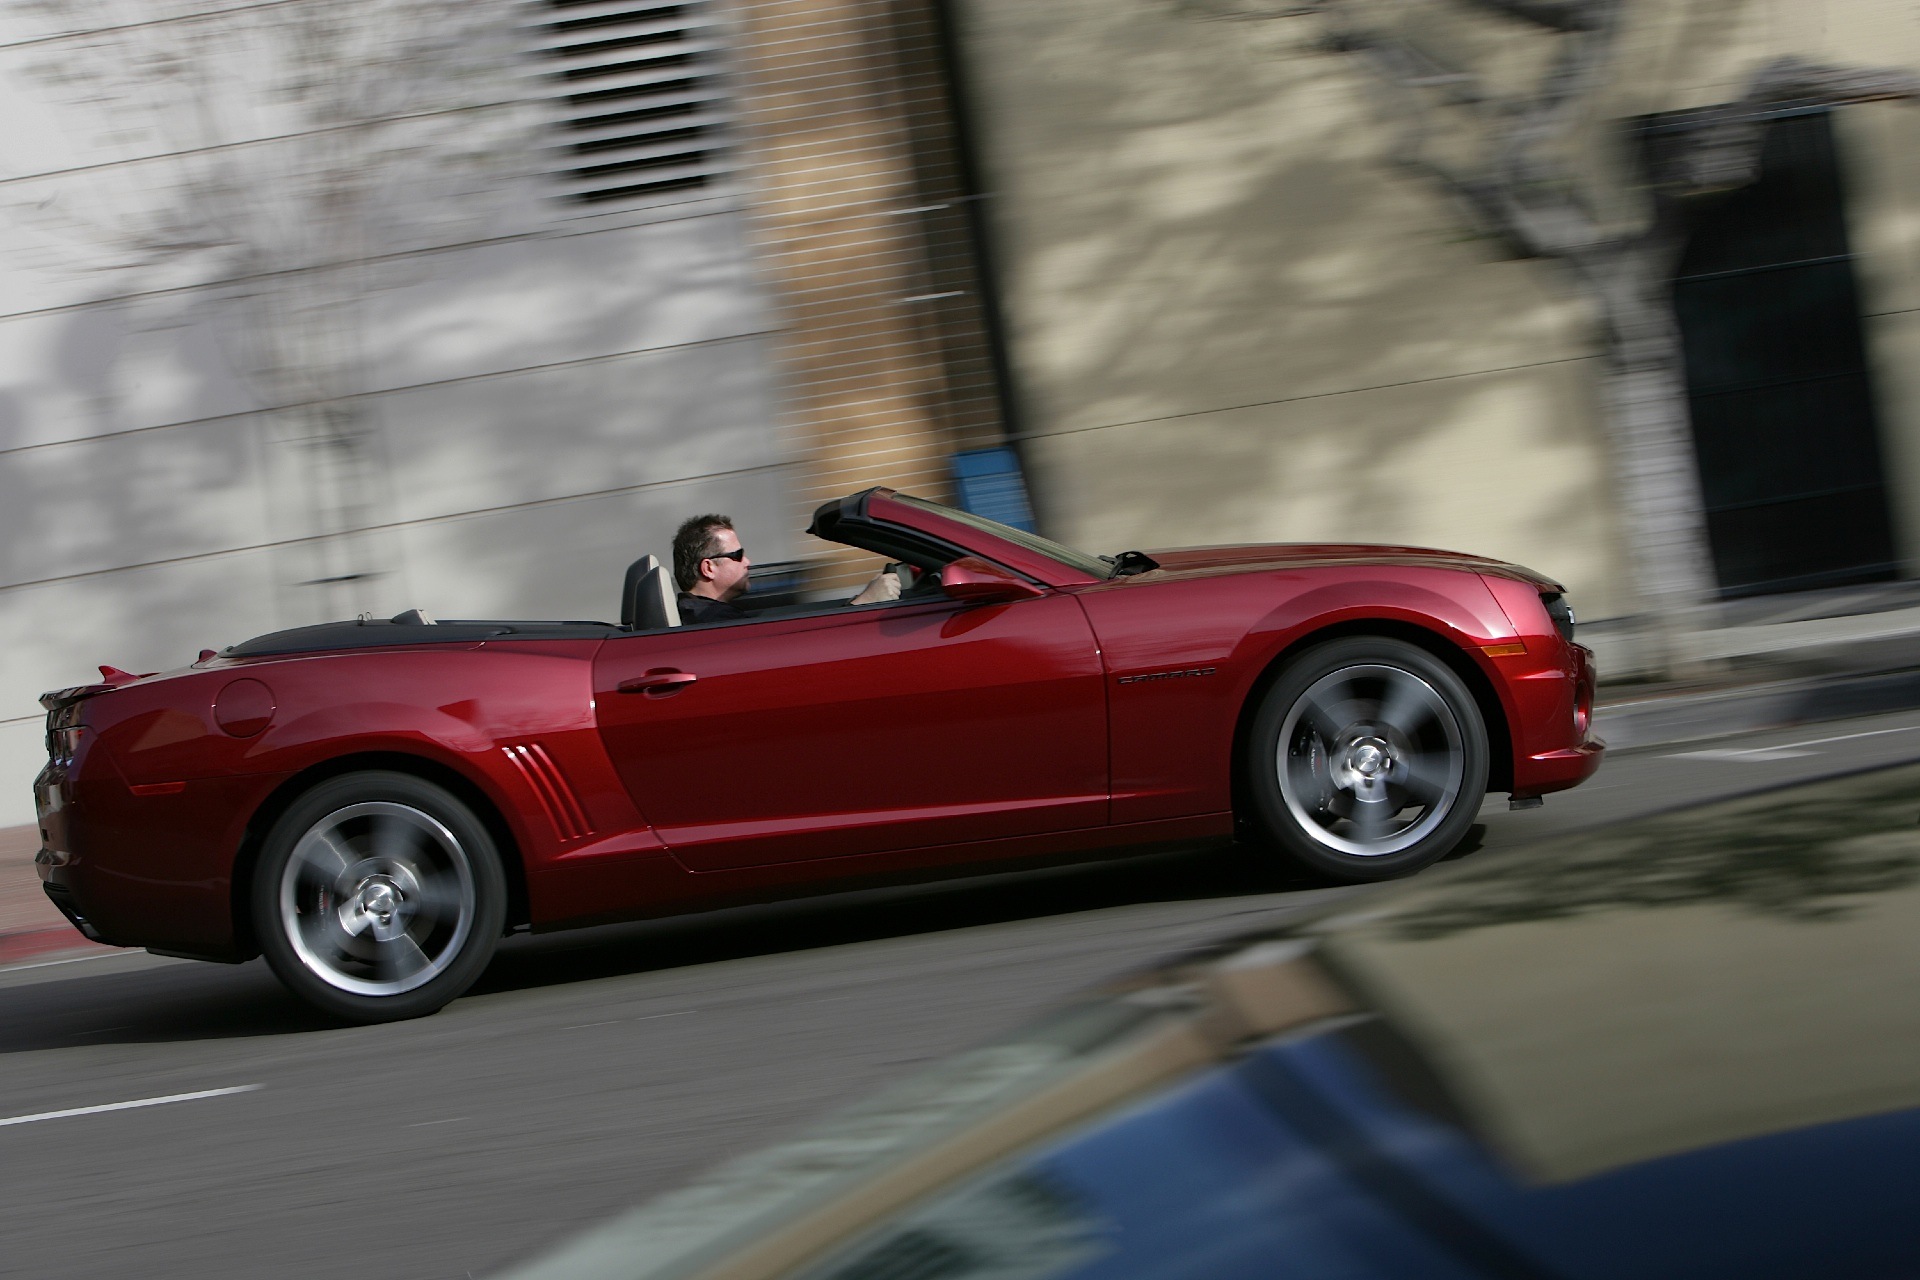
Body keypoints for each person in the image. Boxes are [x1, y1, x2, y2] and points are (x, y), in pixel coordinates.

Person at [672, 513, 900, 625]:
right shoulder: (712, 622)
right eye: (737, 555)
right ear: (708, 568)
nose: (747, 561)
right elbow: (792, 648)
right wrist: (863, 604)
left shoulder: (708, 615)